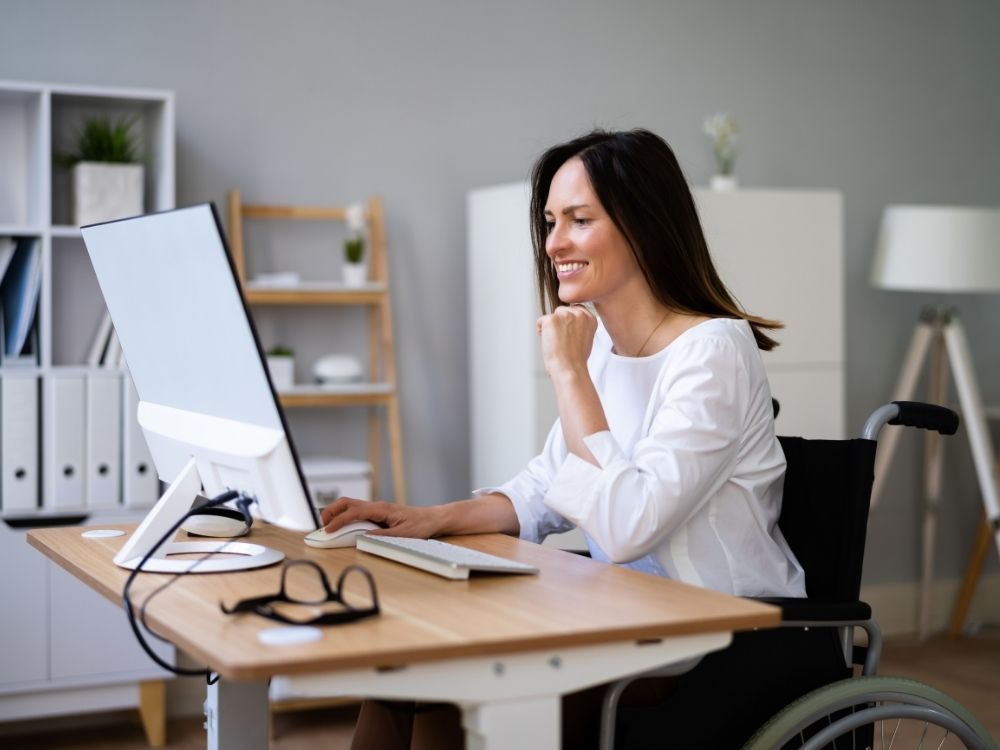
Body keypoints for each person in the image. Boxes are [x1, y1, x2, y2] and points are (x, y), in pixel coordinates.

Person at [324, 128, 806, 750]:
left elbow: (629, 526)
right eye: (551, 222)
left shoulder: (713, 351)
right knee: (403, 670)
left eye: (579, 220)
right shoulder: (603, 346)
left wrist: (568, 373)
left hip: (717, 635)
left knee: (475, 684)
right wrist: (426, 518)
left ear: (643, 227)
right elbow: (545, 488)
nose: (554, 243)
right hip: (622, 615)